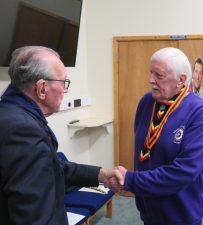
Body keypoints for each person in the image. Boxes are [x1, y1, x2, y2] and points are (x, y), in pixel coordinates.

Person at [0, 46, 121, 225]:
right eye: (63, 82)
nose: (65, 90)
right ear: (42, 89)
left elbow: (52, 166)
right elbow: (34, 217)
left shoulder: (11, 113)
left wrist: (100, 175)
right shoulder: (23, 130)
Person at [108, 47, 203, 225]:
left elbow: (184, 171)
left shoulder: (200, 112)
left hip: (182, 214)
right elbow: (143, 153)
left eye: (159, 75)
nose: (151, 80)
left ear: (181, 80)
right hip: (149, 209)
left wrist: (130, 180)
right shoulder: (146, 102)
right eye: (151, 73)